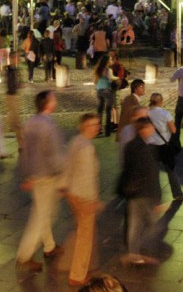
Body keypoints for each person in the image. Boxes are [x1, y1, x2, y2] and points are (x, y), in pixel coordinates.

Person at [16, 90, 67, 273]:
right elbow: (54, 154)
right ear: (48, 103)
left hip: (36, 175)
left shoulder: (30, 123)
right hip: (47, 176)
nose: (56, 100)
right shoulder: (49, 125)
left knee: (42, 212)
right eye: (53, 98)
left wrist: (28, 175)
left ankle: (50, 246)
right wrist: (63, 176)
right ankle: (25, 256)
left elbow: (25, 152)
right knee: (43, 216)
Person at [64, 113, 104, 287]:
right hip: (83, 196)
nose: (97, 127)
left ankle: (75, 266)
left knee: (81, 231)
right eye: (93, 125)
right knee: (85, 237)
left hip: (72, 193)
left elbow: (67, 165)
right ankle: (78, 275)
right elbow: (88, 178)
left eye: (97, 124)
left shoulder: (75, 141)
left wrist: (64, 187)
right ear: (84, 127)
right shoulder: (87, 148)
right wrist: (93, 200)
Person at [117, 117, 163, 265]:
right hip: (145, 193)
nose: (153, 129)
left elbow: (127, 168)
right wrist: (157, 198)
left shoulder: (130, 145)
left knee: (134, 224)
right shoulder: (147, 150)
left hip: (132, 192)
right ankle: (144, 249)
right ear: (143, 129)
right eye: (150, 127)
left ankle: (133, 252)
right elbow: (152, 175)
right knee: (152, 224)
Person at [146, 92, 183, 201]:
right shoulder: (165, 114)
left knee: (153, 172)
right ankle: (177, 194)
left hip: (150, 145)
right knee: (170, 170)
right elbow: (173, 130)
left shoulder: (146, 113)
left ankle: (155, 195)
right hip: (164, 146)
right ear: (161, 101)